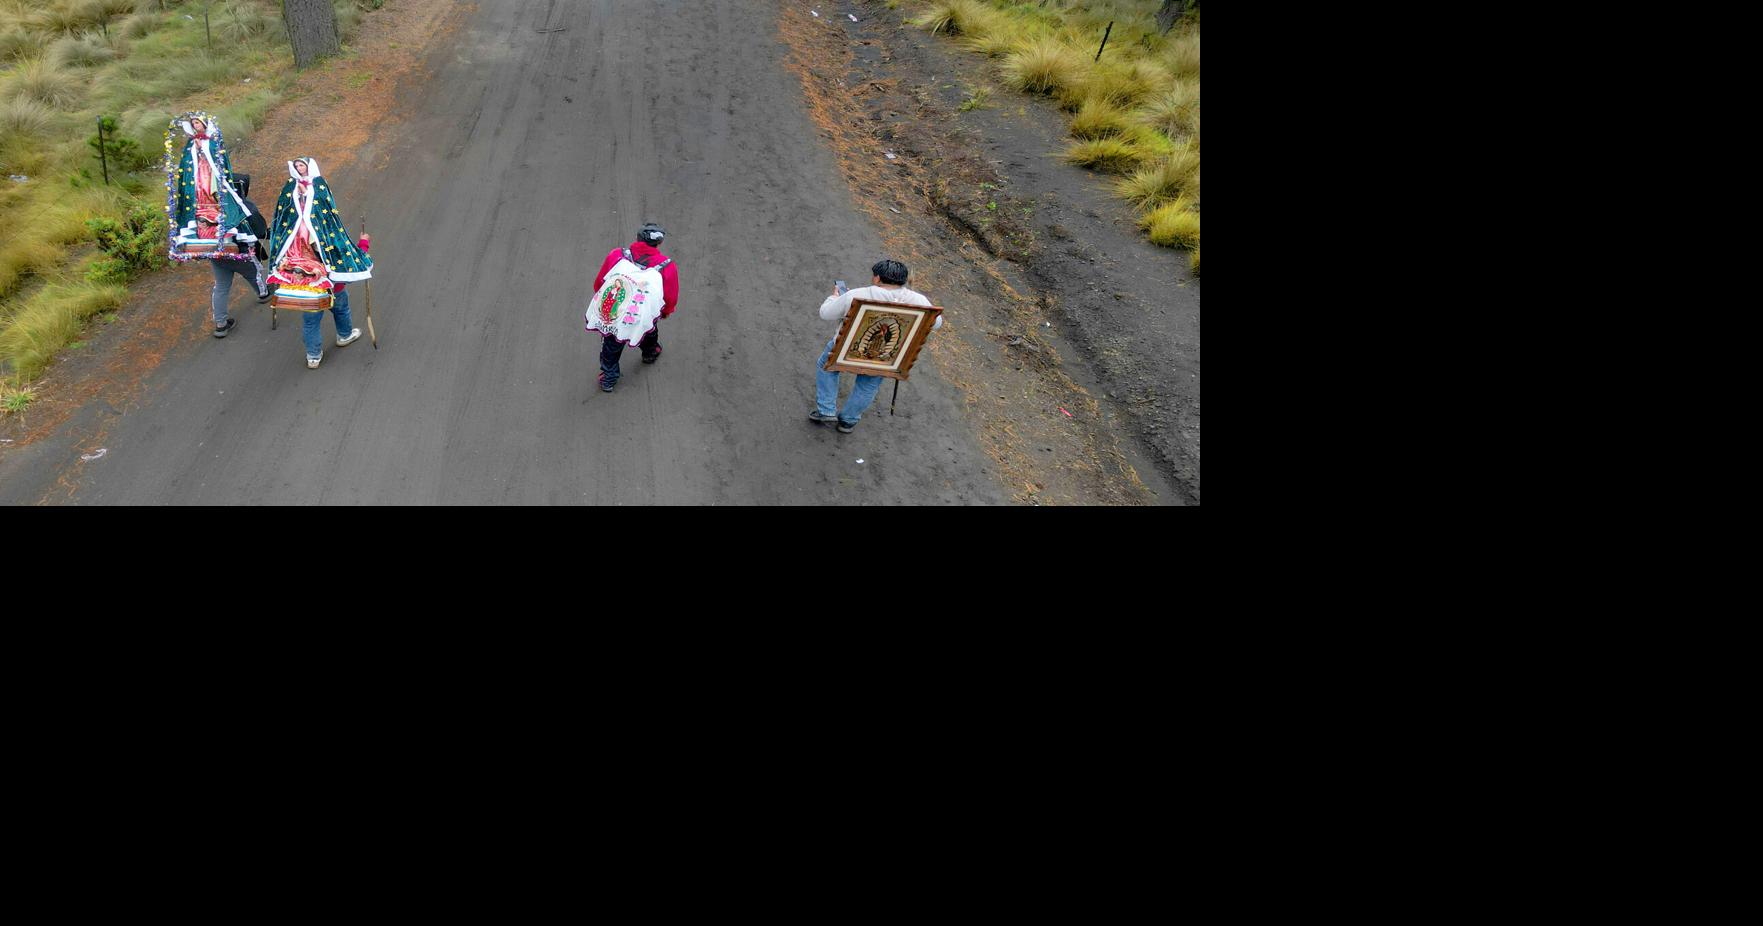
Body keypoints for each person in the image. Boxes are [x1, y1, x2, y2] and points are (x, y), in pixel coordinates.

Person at [811, 259, 939, 433]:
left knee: (826, 366)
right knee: (869, 384)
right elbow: (936, 322)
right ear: (903, 281)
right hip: (886, 355)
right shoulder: (918, 300)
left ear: (877, 278)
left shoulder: (856, 295)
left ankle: (826, 410)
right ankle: (848, 420)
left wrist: (835, 297)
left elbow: (825, 313)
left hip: (846, 349)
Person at [266, 158, 373, 368]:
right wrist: (363, 244)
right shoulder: (324, 237)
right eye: (296, 166)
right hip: (333, 285)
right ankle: (344, 335)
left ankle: (313, 355)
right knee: (340, 308)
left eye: (301, 165)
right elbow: (345, 250)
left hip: (308, 288)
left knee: (311, 320)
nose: (299, 168)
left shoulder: (292, 246)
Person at [590, 223, 678, 392]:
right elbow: (670, 295)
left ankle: (609, 378)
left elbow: (601, 282)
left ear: (637, 239)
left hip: (616, 310)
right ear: (658, 243)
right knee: (648, 331)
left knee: (611, 344)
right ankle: (650, 352)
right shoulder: (666, 266)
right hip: (642, 313)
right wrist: (666, 311)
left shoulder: (617, 255)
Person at [209, 173, 271, 338]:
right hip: (240, 252)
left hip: (216, 254)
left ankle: (221, 324)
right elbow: (260, 231)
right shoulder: (243, 206)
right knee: (253, 273)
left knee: (221, 287)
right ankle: (263, 293)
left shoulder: (209, 208)